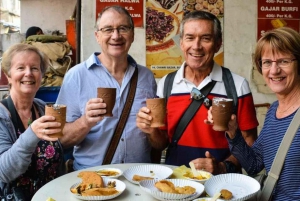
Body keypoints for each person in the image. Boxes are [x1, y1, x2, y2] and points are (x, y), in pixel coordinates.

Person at [136, 10, 258, 175]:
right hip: (176, 182)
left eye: (206, 38)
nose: (196, 46)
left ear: (218, 44)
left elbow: (250, 142)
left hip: (222, 185)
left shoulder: (237, 85)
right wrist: (152, 131)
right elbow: (161, 143)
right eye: (190, 38)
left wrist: (222, 167)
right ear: (181, 43)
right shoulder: (166, 84)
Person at [56, 6, 157, 170]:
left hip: (138, 176)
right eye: (108, 29)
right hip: (93, 178)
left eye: (123, 28)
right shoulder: (76, 76)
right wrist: (85, 122)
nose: (116, 36)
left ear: (132, 35)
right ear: (97, 36)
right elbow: (61, 140)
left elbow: (157, 139)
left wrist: (152, 129)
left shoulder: (146, 77)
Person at [206, 27, 300, 200]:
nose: (274, 71)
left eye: (284, 61)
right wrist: (233, 132)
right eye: (267, 62)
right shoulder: (273, 111)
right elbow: (255, 164)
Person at [0, 43, 65, 200]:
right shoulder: (2, 115)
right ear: (8, 75)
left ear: (41, 75)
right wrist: (32, 133)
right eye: (20, 68)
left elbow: (59, 156)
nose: (28, 73)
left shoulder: (43, 109)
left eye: (35, 68)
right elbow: (4, 172)